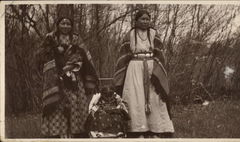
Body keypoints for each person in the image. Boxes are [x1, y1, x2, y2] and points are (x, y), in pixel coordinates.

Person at [113, 9, 174, 138]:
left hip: (151, 67)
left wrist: (157, 69)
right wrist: (121, 73)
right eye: (142, 19)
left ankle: (157, 128)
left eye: (147, 19)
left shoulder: (153, 34)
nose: (145, 21)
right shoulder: (129, 34)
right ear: (136, 20)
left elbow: (160, 52)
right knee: (136, 97)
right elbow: (123, 55)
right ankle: (137, 129)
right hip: (135, 67)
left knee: (155, 96)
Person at [40, 13, 98, 138]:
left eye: (68, 24)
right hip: (56, 79)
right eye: (63, 23)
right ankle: (58, 134)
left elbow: (85, 57)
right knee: (58, 106)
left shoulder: (76, 38)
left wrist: (71, 66)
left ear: (71, 26)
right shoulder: (50, 38)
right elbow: (43, 56)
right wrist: (58, 64)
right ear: (57, 25)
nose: (66, 26)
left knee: (76, 104)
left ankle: (77, 133)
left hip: (74, 78)